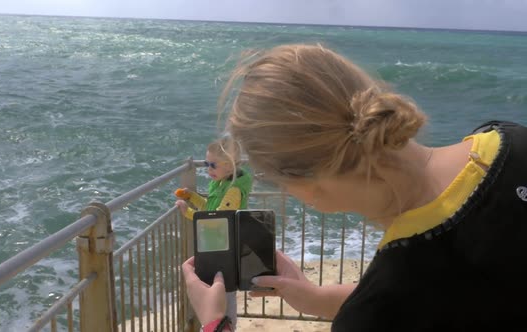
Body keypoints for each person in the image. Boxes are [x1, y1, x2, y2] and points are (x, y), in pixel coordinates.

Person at [181, 43, 527, 332]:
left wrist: (216, 323)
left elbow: (414, 298)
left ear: (307, 187)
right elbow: (454, 295)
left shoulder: (376, 309)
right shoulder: (512, 140)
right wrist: (317, 299)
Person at [174, 136, 253, 331]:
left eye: (212, 165)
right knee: (217, 288)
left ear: (229, 166)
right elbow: (211, 206)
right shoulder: (222, 184)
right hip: (217, 244)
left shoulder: (233, 190)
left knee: (224, 291)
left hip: (225, 248)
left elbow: (216, 218)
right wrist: (192, 197)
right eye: (207, 164)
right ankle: (215, 325)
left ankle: (224, 327)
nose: (208, 169)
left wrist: (188, 213)